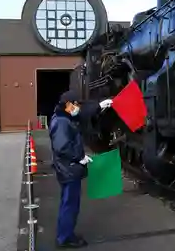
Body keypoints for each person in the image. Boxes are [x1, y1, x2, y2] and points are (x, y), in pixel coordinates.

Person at [49, 90, 113, 248]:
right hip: (69, 169)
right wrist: (79, 158)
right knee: (70, 204)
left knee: (68, 203)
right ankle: (65, 238)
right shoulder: (62, 122)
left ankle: (66, 233)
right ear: (67, 105)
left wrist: (99, 106)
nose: (77, 107)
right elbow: (62, 147)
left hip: (67, 168)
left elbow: (83, 114)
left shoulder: (63, 117)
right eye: (75, 104)